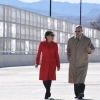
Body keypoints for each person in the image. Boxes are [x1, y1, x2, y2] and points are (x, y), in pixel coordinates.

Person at [67, 25, 95, 99]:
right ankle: (77, 94)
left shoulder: (87, 40)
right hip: (73, 63)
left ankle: (81, 92)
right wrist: (70, 58)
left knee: (81, 78)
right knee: (75, 79)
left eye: (79, 31)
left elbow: (93, 49)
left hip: (83, 63)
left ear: (82, 31)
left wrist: (89, 50)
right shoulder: (71, 40)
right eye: (76, 31)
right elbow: (68, 50)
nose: (77, 32)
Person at [35, 30, 60, 99]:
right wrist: (37, 62)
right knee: (44, 78)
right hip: (44, 63)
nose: (52, 37)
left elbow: (56, 55)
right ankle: (48, 90)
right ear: (47, 36)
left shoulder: (55, 44)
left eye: (53, 36)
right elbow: (39, 53)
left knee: (50, 78)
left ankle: (47, 92)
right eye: (51, 35)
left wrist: (58, 65)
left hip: (52, 63)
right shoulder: (42, 43)